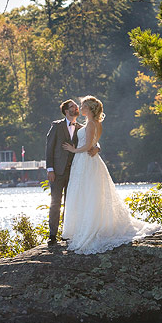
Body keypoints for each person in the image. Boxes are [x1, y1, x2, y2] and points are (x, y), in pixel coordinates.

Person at [60, 95, 157, 254]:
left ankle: (89, 228)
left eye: (83, 106)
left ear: (90, 109)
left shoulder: (91, 124)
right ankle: (83, 227)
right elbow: (94, 143)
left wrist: (73, 150)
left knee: (87, 193)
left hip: (85, 160)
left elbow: (86, 146)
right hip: (87, 161)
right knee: (87, 193)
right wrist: (96, 147)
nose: (81, 108)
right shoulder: (94, 123)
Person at [45, 99, 99, 247]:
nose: (76, 108)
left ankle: (67, 233)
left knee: (71, 203)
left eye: (76, 106)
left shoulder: (82, 127)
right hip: (57, 171)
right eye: (73, 106)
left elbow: (92, 140)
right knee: (55, 202)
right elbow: (49, 148)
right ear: (66, 111)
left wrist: (97, 148)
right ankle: (52, 235)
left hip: (75, 171)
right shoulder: (57, 126)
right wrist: (50, 169)